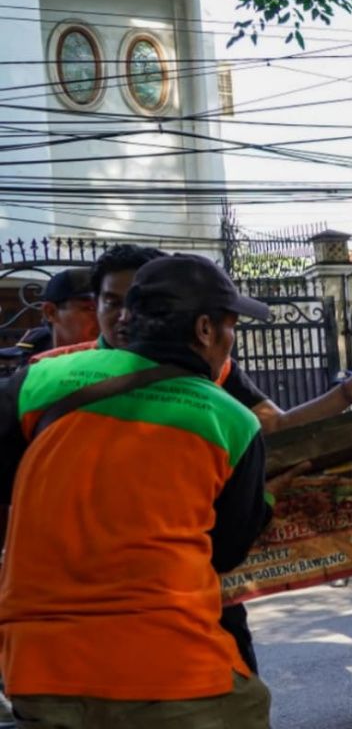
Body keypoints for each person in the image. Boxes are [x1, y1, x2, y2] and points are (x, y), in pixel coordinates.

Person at [26, 243, 352, 676]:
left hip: (194, 594)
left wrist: (344, 395)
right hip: (74, 614)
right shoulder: (51, 376)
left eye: (142, 300)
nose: (128, 315)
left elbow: (271, 429)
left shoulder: (220, 383)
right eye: (114, 302)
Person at [0, 254, 277, 728]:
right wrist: (265, 501)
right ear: (206, 331)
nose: (230, 342)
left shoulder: (38, 381)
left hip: (39, 671)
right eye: (231, 328)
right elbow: (227, 552)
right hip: (174, 670)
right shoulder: (230, 419)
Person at [39, 267, 97, 349]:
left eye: (107, 308)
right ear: (50, 312)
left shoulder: (118, 358)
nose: (103, 318)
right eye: (91, 309)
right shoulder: (29, 360)